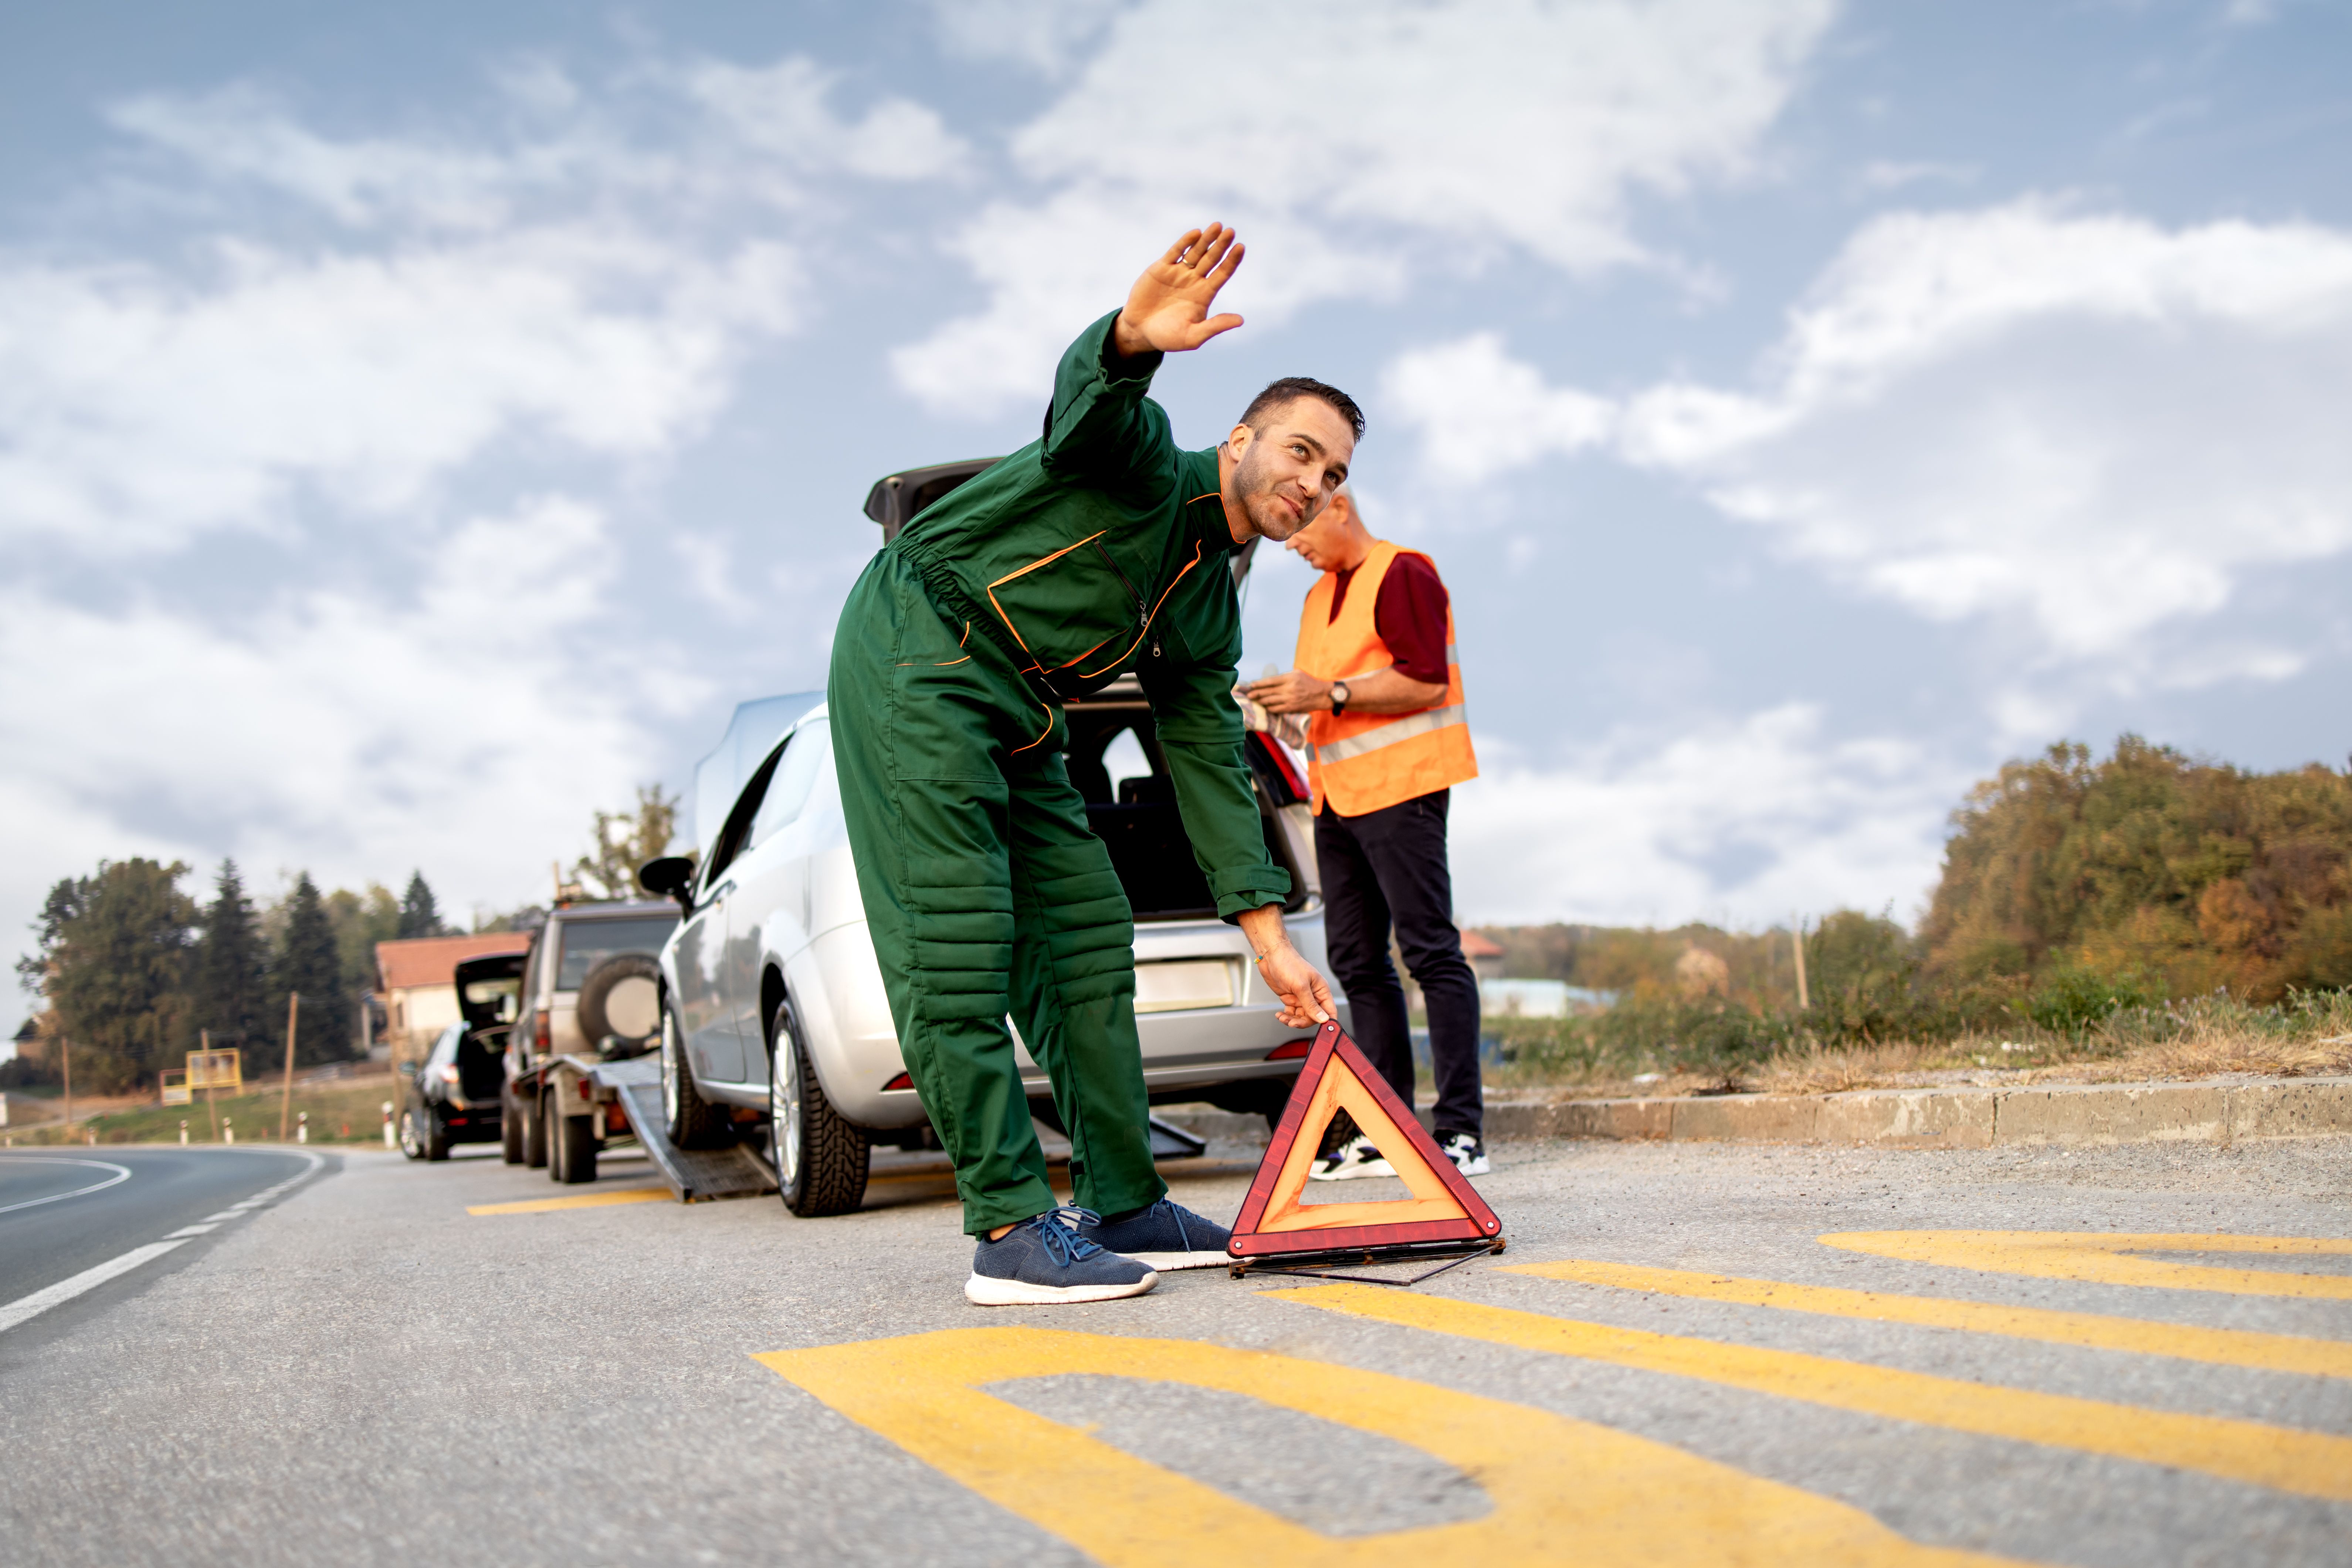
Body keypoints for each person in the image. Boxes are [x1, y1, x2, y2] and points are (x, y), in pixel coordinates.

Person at [828, 224, 1353, 1306]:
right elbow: (1091, 411)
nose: (1310, 482)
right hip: (919, 648)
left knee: (1083, 933)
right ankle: (1011, 1230)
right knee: (957, 939)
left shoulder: (1210, 597)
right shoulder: (1140, 464)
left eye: (1333, 474)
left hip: (1021, 708)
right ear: (1246, 437)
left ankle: (1124, 1199)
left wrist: (1268, 942)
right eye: (1299, 451)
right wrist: (1128, 340)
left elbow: (1205, 756)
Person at [1243, 489, 1485, 1179]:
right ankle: (1388, 1129)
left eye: (1299, 526)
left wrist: (1324, 694)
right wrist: (1273, 711)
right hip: (1338, 800)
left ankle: (1462, 1131)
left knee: (1430, 952)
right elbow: (1322, 706)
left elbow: (1424, 683)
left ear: (1339, 505)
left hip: (1403, 790)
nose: (1291, 542)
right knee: (1357, 963)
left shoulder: (1403, 571)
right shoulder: (1318, 598)